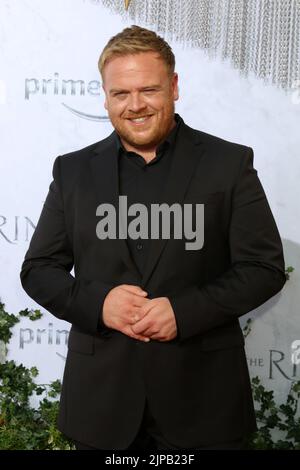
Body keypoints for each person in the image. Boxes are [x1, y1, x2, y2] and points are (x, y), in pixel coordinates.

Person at [20, 25, 286, 451]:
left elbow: (264, 269)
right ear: (105, 96)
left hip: (204, 404)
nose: (135, 105)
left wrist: (183, 311)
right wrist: (100, 303)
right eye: (121, 93)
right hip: (102, 406)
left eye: (149, 89)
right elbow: (38, 270)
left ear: (174, 87)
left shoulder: (228, 164)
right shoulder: (72, 172)